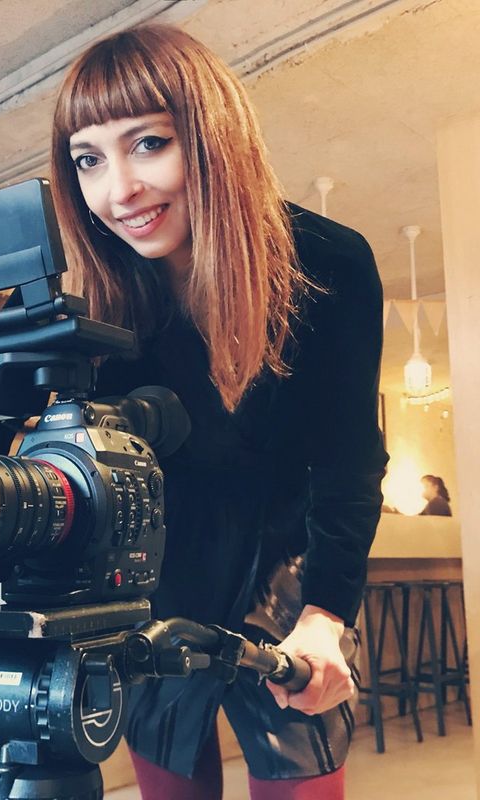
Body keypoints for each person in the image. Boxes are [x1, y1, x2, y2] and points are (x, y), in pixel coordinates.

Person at [49, 23, 387, 800]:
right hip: (156, 581)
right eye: (89, 159)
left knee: (300, 781)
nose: (118, 191)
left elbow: (349, 460)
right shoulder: (91, 289)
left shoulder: (328, 262)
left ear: (210, 137)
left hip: (290, 576)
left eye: (149, 144)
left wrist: (328, 614)